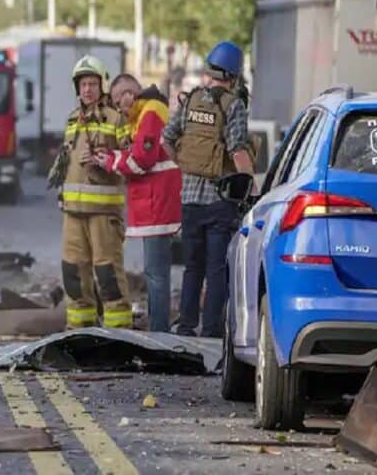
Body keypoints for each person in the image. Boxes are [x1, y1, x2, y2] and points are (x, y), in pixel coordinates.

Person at [162, 41, 254, 338]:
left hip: (189, 200)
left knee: (192, 267)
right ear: (234, 75)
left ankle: (186, 325)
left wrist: (186, 165)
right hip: (219, 199)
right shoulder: (232, 104)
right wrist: (252, 188)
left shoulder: (189, 101)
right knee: (216, 269)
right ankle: (211, 328)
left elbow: (166, 139)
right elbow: (238, 151)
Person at [94, 74, 182, 332]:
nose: (119, 108)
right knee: (156, 273)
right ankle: (159, 328)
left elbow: (142, 160)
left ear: (129, 94)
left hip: (156, 204)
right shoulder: (145, 114)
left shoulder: (151, 113)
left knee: (156, 275)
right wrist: (113, 156)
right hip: (154, 203)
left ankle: (159, 332)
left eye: (118, 101)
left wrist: (110, 162)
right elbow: (137, 155)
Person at [55, 55, 132, 331]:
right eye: (83, 84)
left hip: (103, 213)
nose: (87, 89)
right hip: (73, 212)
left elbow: (130, 160)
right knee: (73, 273)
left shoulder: (116, 119)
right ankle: (79, 330)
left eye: (92, 83)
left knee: (107, 274)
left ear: (102, 86)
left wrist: (106, 158)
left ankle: (119, 333)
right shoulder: (73, 119)